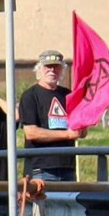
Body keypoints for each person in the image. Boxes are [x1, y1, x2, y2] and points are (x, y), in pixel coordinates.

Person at [18, 49, 84, 182]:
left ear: (62, 70)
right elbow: (31, 133)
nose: (52, 70)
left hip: (68, 168)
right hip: (41, 170)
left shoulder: (69, 95)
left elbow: (80, 133)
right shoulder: (30, 96)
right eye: (48, 66)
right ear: (39, 69)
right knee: (43, 203)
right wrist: (67, 134)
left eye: (56, 67)